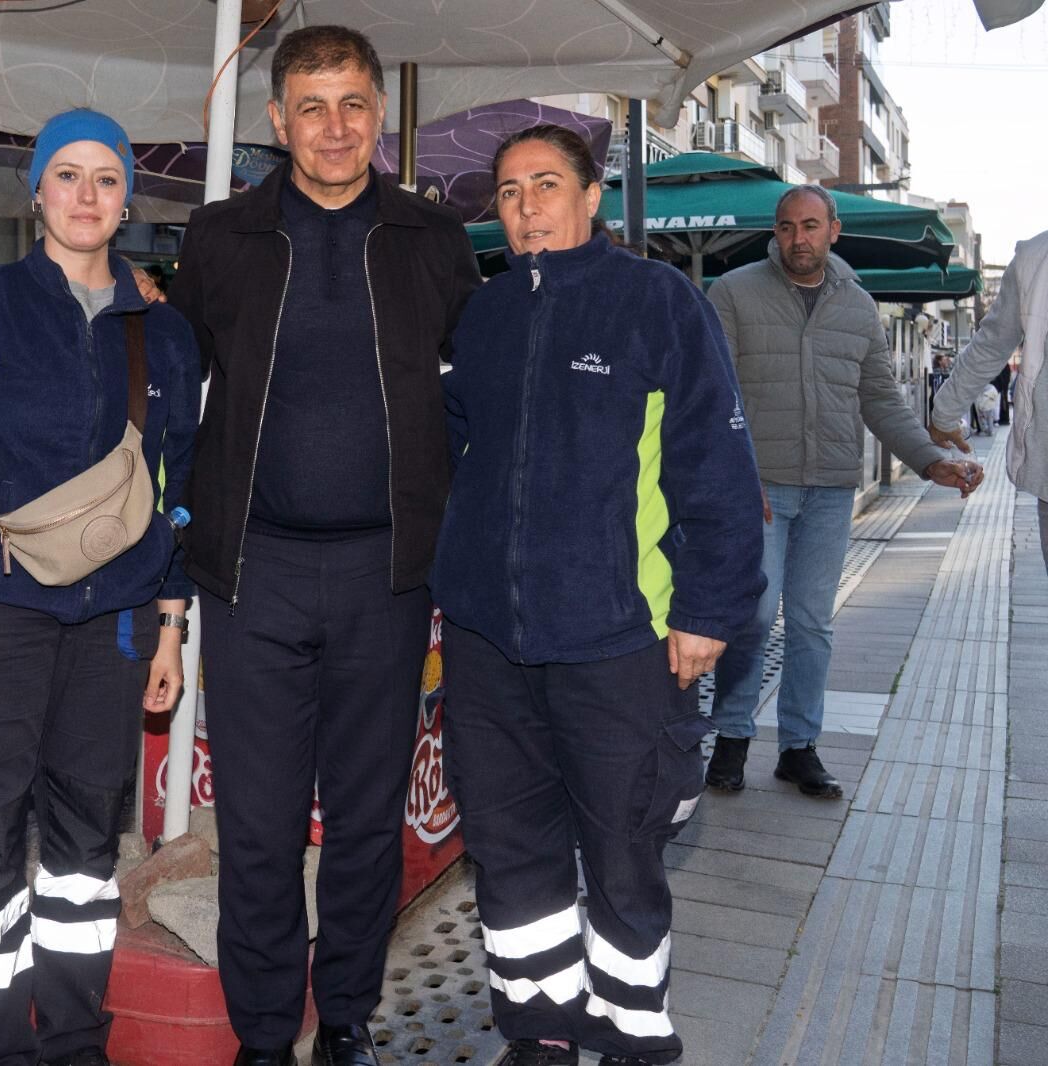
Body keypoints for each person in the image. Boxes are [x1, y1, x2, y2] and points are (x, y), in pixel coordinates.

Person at [167, 25, 481, 1066]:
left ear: (380, 117)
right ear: (276, 120)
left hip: (386, 577)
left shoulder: (435, 240)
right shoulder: (218, 240)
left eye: (353, 105)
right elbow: (183, 386)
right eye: (313, 105)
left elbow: (471, 395)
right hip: (252, 574)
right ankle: (264, 1032)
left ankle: (343, 1017)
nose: (335, 127)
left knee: (363, 817)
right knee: (255, 827)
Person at [429, 124, 764, 1066]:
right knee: (510, 848)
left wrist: (708, 608)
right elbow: (456, 460)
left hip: (619, 638)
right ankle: (540, 1030)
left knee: (622, 851)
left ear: (591, 200)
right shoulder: (483, 318)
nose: (526, 206)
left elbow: (717, 464)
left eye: (545, 185)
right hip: (490, 641)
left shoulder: (657, 303)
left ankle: (632, 1035)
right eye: (507, 192)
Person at [0, 107, 199, 1066]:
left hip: (114, 625)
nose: (87, 196)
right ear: (37, 192)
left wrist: (170, 630)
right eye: (68, 175)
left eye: (107, 178)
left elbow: (179, 491)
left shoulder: (165, 333)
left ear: (128, 197)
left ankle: (72, 1041)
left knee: (86, 847)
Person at [705, 185, 984, 799]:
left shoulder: (858, 307)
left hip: (830, 488)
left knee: (811, 623)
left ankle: (799, 747)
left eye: (809, 226)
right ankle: (730, 738)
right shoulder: (731, 294)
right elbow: (713, 395)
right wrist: (734, 472)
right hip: (760, 489)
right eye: (785, 227)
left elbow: (881, 399)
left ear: (834, 229)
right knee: (752, 615)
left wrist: (932, 459)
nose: (797, 238)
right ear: (773, 233)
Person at [930, 230, 1048, 565]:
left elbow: (992, 342)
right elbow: (993, 342)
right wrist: (945, 412)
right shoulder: (1035, 259)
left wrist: (944, 414)